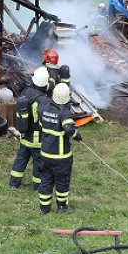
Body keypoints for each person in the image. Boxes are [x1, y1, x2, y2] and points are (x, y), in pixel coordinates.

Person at [36, 83, 81, 214]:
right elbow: (68, 129)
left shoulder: (44, 109)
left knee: (46, 181)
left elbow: (41, 124)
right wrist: (77, 136)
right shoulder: (64, 113)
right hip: (61, 158)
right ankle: (62, 207)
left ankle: (44, 208)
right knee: (62, 182)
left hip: (45, 155)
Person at [9, 67, 50, 190]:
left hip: (24, 135)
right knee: (38, 161)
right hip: (36, 138)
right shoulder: (42, 100)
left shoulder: (26, 92)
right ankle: (38, 185)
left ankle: (14, 182)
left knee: (21, 159)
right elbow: (42, 119)